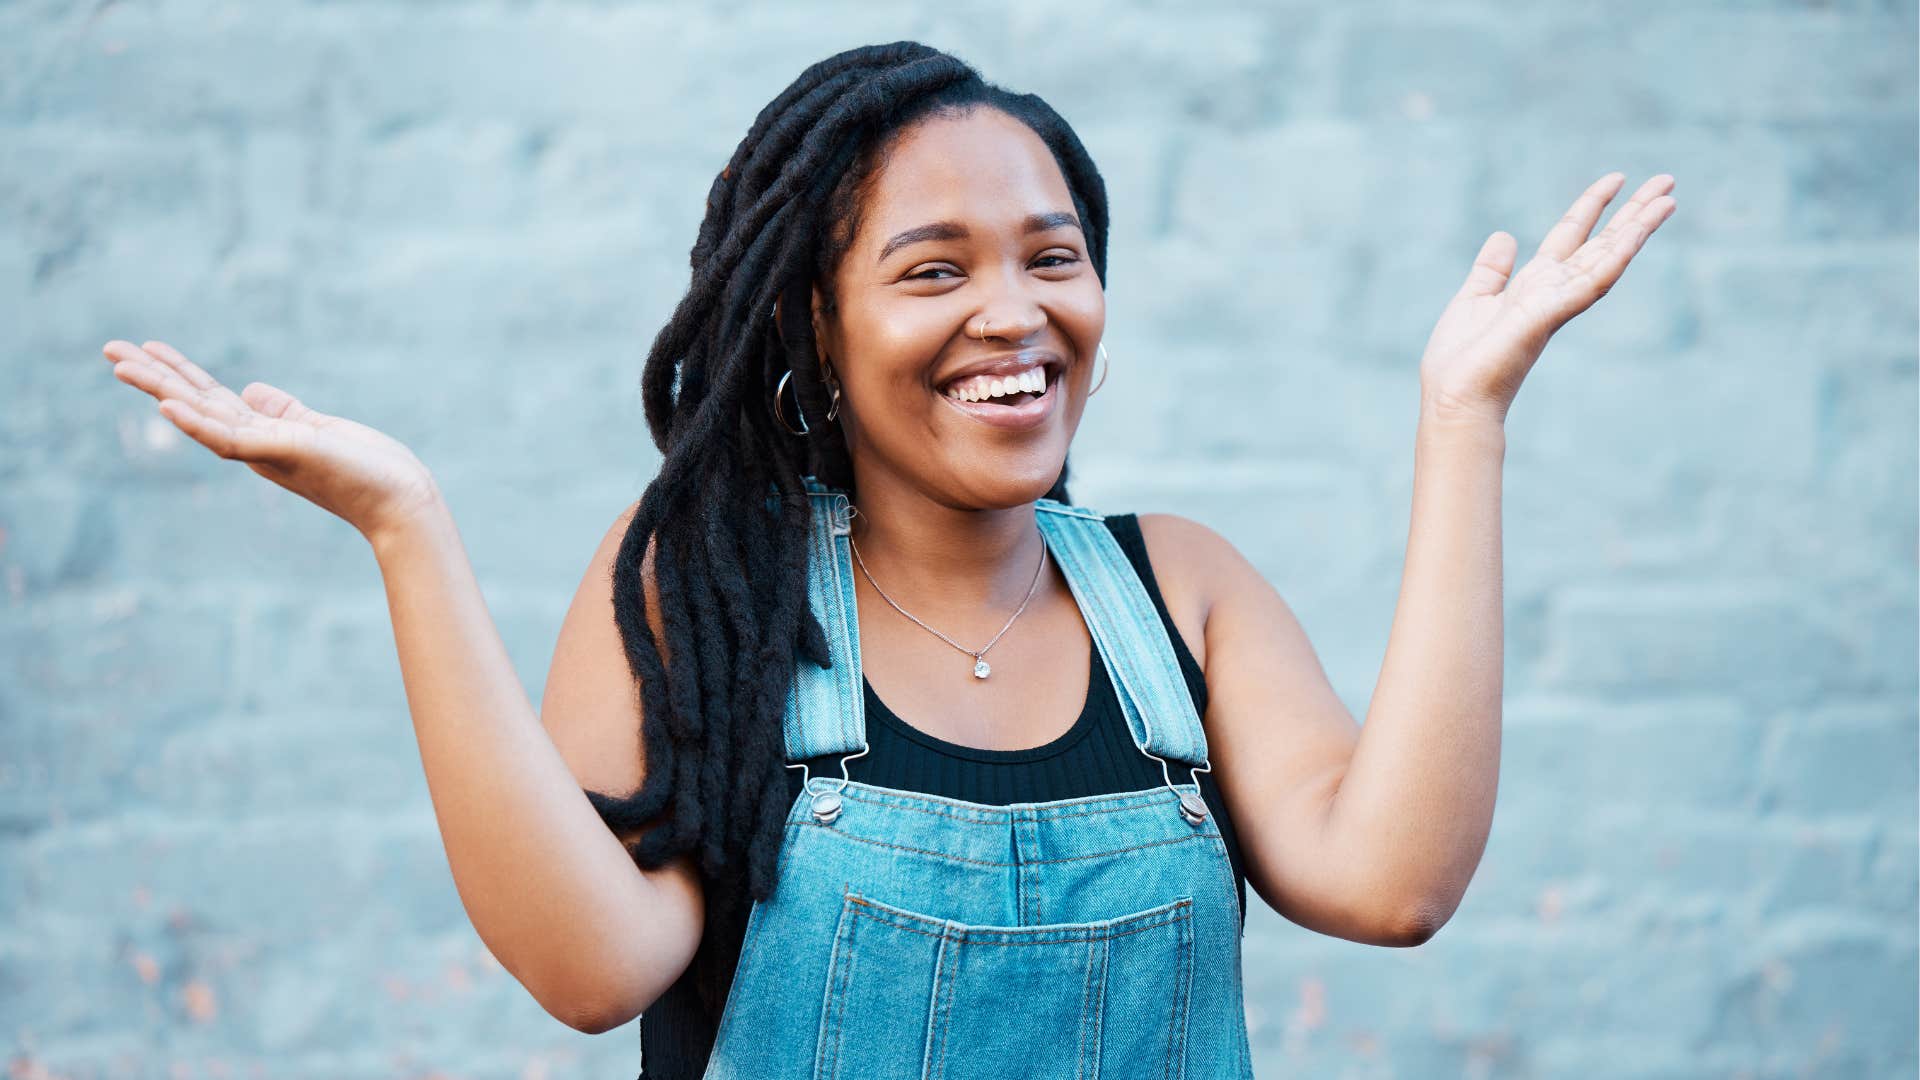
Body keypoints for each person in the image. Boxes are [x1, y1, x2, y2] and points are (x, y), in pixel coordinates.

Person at [99, 38, 1674, 1080]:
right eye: (936, 269)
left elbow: (1391, 885)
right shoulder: (710, 591)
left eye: (1053, 256)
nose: (1017, 311)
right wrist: (407, 533)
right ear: (811, 324)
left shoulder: (1179, 591)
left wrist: (1465, 415)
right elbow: (592, 966)